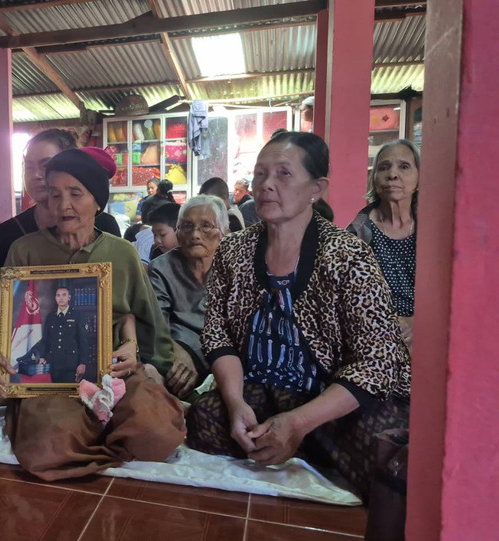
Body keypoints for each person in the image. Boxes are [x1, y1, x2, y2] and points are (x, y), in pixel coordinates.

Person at [185, 131, 411, 498]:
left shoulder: (348, 256)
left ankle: (299, 440)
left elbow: (377, 362)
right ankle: (295, 446)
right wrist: (235, 401)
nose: (266, 185)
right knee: (205, 418)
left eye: (284, 174)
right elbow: (217, 334)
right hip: (264, 388)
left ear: (316, 188)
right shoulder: (233, 250)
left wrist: (300, 422)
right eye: (260, 174)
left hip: (330, 395)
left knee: (386, 455)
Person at [0, 147, 193, 481]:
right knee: (49, 446)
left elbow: (146, 319)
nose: (63, 205)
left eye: (75, 194)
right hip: (52, 378)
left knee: (156, 432)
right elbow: (11, 324)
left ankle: (94, 429)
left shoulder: (122, 253)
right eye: (55, 194)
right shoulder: (25, 250)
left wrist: (138, 354)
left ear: (97, 201)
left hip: (112, 372)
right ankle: (97, 432)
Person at [0, 129, 120, 352]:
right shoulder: (10, 234)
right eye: (29, 167)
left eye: (45, 165)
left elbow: (119, 303)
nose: (36, 175)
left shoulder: (104, 227)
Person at [148, 195, 228, 387]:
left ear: (223, 233)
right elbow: (157, 325)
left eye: (206, 226)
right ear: (177, 232)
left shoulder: (235, 267)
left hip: (226, 358)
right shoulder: (161, 269)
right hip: (177, 357)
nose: (195, 235)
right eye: (187, 226)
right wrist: (179, 353)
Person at [347, 139, 419, 349]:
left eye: (404, 166)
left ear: (419, 177)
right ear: (375, 178)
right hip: (374, 335)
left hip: (428, 329)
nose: (392, 174)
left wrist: (416, 322)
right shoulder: (359, 230)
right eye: (384, 167)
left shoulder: (433, 227)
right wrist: (386, 323)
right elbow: (347, 292)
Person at [40, 287, 92, 383]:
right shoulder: (51, 317)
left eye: (64, 295)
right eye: (58, 295)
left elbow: (83, 341)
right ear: (55, 298)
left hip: (71, 364)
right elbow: (45, 340)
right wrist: (42, 356)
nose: (61, 298)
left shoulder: (77, 315)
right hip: (54, 364)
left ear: (69, 297)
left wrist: (83, 363)